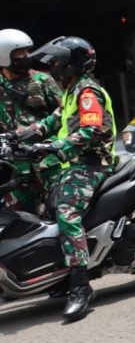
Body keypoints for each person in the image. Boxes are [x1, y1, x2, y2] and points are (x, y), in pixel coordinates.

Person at [19, 37, 116, 321]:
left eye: (58, 63)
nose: (54, 68)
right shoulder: (72, 92)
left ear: (72, 64)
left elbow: (91, 132)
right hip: (73, 163)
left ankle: (80, 283)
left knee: (66, 212)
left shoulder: (87, 92)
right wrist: (17, 136)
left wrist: (54, 147)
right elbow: (51, 121)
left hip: (92, 164)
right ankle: (58, 272)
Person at [0, 29, 62, 211]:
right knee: (17, 219)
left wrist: (36, 130)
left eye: (27, 51)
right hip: (15, 168)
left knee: (59, 210)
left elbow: (64, 112)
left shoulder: (42, 80)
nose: (26, 56)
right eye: (20, 53)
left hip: (46, 160)